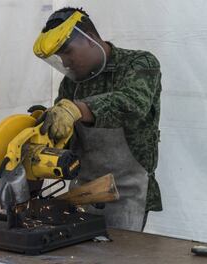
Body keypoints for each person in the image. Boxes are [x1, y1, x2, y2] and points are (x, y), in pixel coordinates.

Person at [33, 7, 162, 231]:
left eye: (68, 52)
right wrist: (46, 125)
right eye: (61, 57)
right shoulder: (72, 82)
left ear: (90, 39)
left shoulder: (140, 63)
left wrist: (78, 109)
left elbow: (134, 103)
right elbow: (64, 132)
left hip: (128, 192)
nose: (65, 63)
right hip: (83, 191)